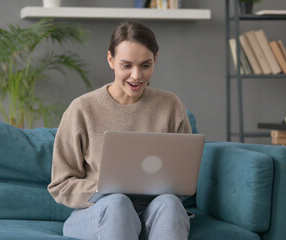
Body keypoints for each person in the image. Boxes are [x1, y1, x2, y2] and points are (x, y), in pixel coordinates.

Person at [48, 21, 192, 240]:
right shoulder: (82, 109)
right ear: (111, 60)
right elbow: (60, 185)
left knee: (170, 204)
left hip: (153, 212)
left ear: (156, 60)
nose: (136, 76)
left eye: (145, 65)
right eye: (126, 66)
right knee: (117, 204)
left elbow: (183, 179)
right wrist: (105, 189)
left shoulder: (170, 105)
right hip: (100, 212)